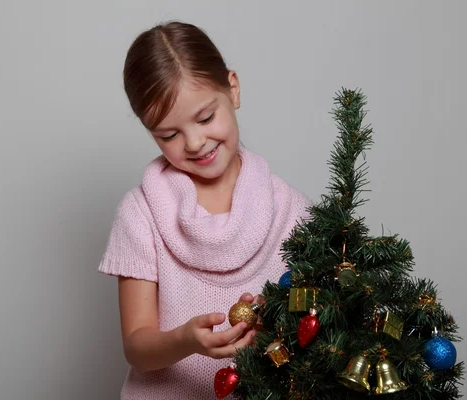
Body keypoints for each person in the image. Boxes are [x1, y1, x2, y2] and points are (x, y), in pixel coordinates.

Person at [98, 20, 311, 399]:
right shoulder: (140, 214)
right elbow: (137, 347)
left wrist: (276, 319)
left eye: (206, 118)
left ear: (233, 88)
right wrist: (184, 340)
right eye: (169, 134)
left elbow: (323, 327)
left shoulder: (292, 210)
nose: (195, 143)